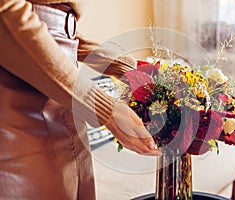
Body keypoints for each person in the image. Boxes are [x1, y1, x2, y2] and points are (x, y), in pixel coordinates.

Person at [0, 0, 161, 199]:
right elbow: (5, 14)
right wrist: (104, 108)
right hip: (20, 103)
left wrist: (126, 66)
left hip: (67, 104)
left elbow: (58, 29)